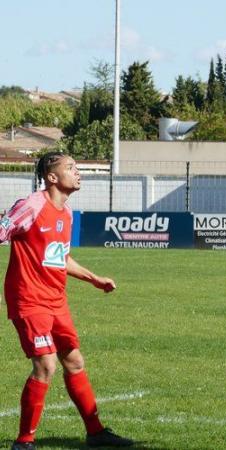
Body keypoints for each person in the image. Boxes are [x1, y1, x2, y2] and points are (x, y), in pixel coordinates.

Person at [0, 152, 134, 449]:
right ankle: (24, 442)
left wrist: (94, 278)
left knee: (73, 360)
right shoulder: (31, 206)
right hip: (29, 300)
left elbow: (59, 258)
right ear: (51, 177)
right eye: (70, 168)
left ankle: (96, 433)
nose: (78, 172)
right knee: (46, 365)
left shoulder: (67, 213)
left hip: (56, 300)